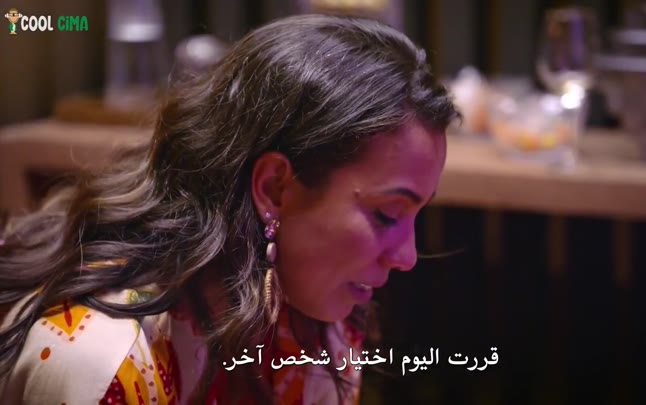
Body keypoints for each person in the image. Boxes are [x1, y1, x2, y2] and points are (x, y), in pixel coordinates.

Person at [0, 13, 458, 404]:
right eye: (387, 214)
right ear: (274, 188)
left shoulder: (316, 324)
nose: (407, 257)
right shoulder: (105, 366)